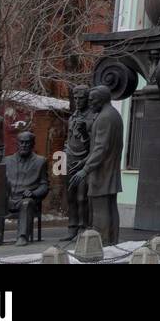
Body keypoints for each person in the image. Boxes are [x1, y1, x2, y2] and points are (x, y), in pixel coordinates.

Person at [67, 84, 124, 243]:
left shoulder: (105, 117)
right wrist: (84, 161)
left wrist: (85, 169)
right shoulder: (113, 115)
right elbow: (98, 147)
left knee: (100, 209)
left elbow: (101, 149)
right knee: (109, 207)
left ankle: (103, 241)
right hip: (107, 169)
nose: (90, 103)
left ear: (101, 99)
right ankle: (111, 240)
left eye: (92, 100)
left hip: (102, 171)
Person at [0, 130, 49, 246]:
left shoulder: (40, 161)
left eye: (27, 143)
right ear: (17, 144)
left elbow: (44, 185)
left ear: (32, 144)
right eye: (21, 142)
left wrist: (33, 193)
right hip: (9, 198)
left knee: (26, 203)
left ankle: (22, 236)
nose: (24, 145)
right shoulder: (7, 161)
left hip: (26, 199)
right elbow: (0, 182)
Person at [65, 85, 92, 237]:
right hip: (69, 159)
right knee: (70, 196)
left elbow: (92, 145)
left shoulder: (91, 117)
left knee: (82, 197)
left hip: (83, 161)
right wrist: (63, 154)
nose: (77, 101)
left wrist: (83, 132)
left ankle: (83, 226)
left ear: (87, 98)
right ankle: (72, 226)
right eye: (75, 98)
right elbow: (67, 139)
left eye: (81, 98)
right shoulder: (72, 117)